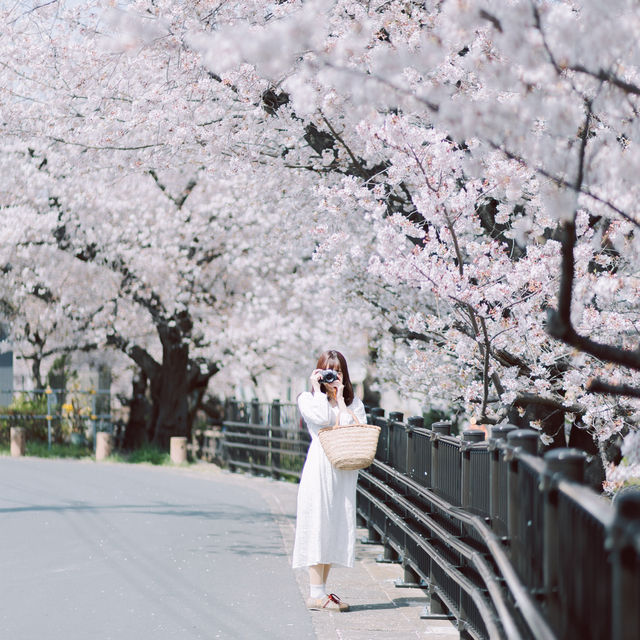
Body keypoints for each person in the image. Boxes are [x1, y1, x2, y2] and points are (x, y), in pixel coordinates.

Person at [292, 349, 367, 612]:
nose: (332, 376)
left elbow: (354, 426)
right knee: (318, 524)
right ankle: (316, 594)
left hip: (343, 470)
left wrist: (342, 400)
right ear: (318, 372)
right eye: (328, 371)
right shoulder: (307, 399)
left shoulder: (354, 402)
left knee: (334, 526)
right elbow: (323, 419)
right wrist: (319, 389)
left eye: (337, 371)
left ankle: (319, 592)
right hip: (320, 467)